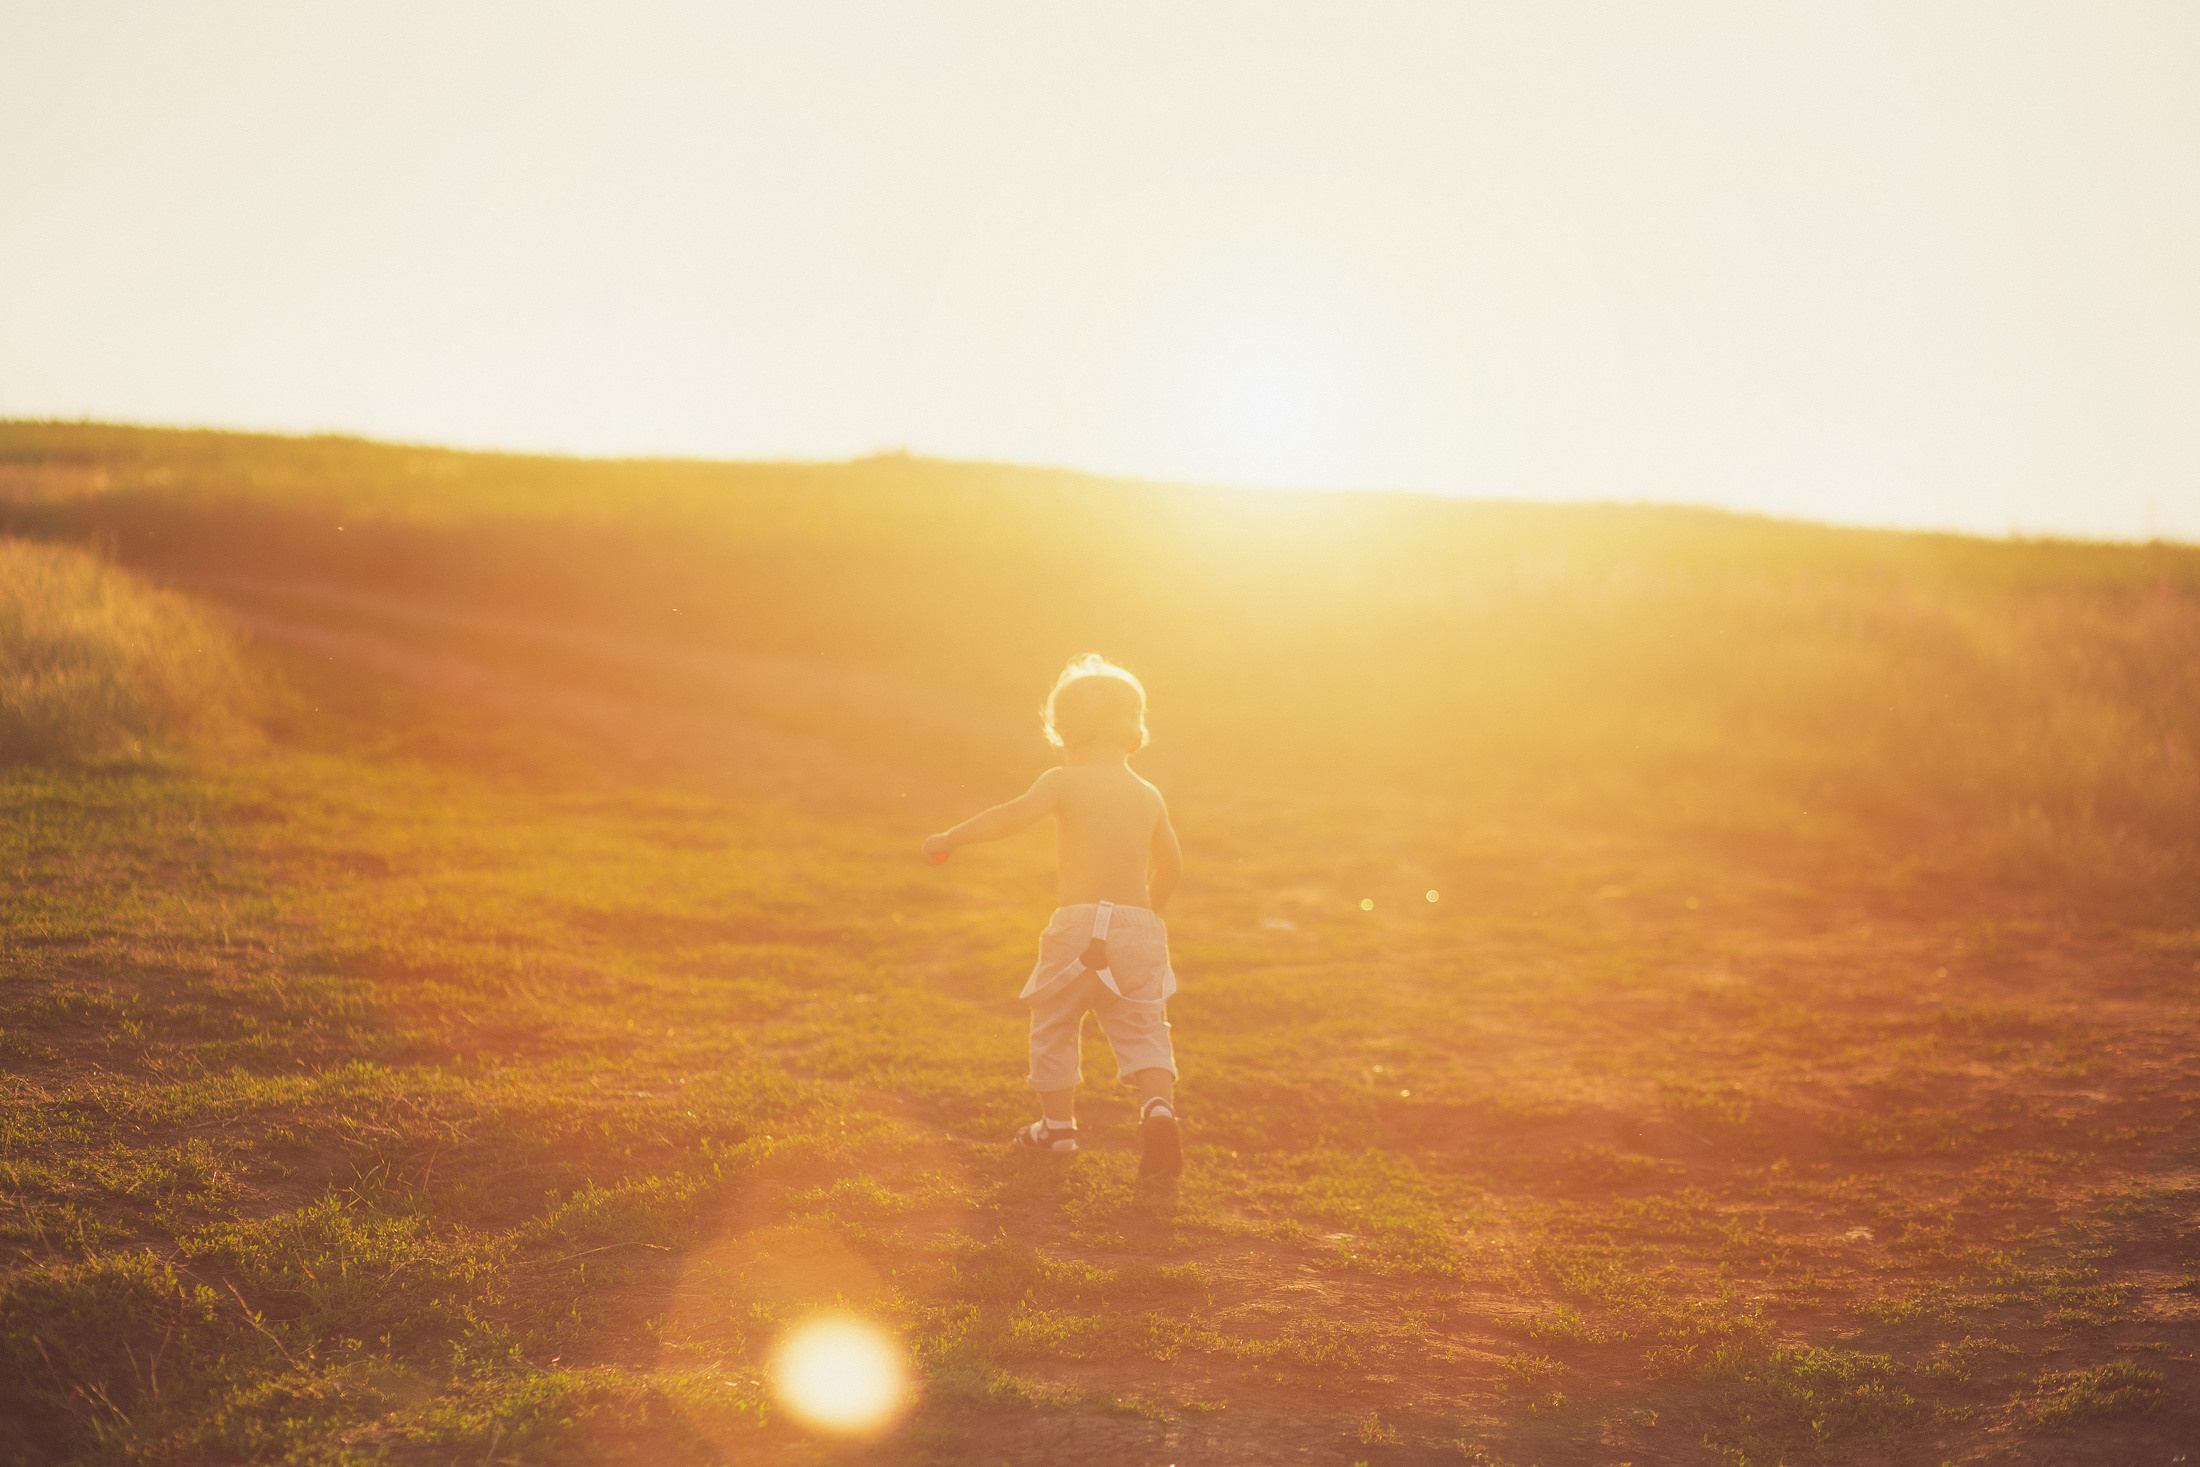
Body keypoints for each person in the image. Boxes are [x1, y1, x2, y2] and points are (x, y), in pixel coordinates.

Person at [921, 654, 1185, 1179]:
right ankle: (1158, 1109)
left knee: (1056, 1022)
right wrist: (1140, 919)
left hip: (1076, 924)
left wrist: (952, 838)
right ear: (1135, 730)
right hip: (1138, 925)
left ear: (1063, 730)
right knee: (1143, 1029)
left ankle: (1058, 1131)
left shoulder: (1062, 781)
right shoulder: (1148, 794)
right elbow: (1173, 868)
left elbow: (1012, 816)